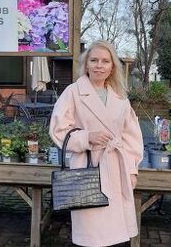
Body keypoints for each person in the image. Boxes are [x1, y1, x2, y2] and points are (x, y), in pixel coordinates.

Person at [49, 40, 143, 247]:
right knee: (91, 235)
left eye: (105, 61)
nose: (99, 65)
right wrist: (85, 137)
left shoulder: (120, 97)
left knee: (117, 237)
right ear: (86, 64)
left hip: (117, 169)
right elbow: (57, 129)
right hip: (87, 170)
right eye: (94, 60)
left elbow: (132, 137)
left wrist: (131, 170)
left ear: (112, 67)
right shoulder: (73, 92)